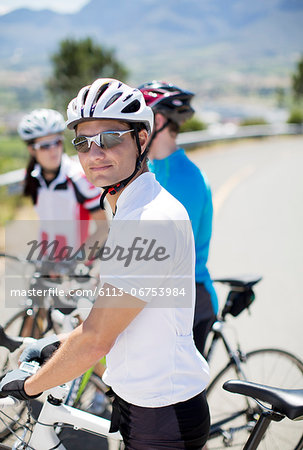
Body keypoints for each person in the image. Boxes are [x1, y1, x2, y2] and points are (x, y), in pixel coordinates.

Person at [0, 79, 210, 449]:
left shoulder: (150, 220)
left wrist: (29, 386)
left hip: (162, 414)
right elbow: (118, 318)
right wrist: (55, 343)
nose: (95, 153)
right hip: (139, 402)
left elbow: (98, 337)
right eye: (83, 142)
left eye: (111, 137)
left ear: (141, 140)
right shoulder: (127, 207)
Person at [139, 81, 218, 356]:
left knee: (173, 396)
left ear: (157, 120)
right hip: (164, 294)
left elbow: (163, 252)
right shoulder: (151, 169)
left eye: (140, 119)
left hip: (188, 299)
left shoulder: (185, 178)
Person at [18, 108, 106, 256]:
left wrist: (78, 259)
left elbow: (103, 228)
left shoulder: (80, 179)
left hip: (78, 264)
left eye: (57, 142)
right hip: (48, 260)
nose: (53, 150)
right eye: (45, 146)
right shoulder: (32, 178)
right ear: (32, 150)